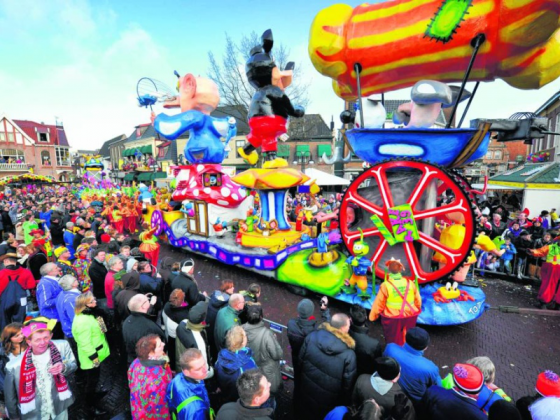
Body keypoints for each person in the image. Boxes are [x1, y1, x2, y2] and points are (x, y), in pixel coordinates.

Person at [4, 320, 77, 420]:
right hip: (34, 414)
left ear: (51, 336)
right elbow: (10, 397)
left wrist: (64, 367)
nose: (43, 342)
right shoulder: (13, 366)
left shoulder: (62, 346)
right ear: (29, 342)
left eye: (46, 337)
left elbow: (73, 365)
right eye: (37, 340)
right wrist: (14, 417)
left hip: (60, 406)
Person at [296, 313, 357, 420]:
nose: (349, 328)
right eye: (348, 326)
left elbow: (299, 362)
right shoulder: (349, 355)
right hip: (328, 401)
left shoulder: (312, 336)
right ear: (342, 328)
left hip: (307, 391)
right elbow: (347, 385)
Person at [71, 292, 109, 416]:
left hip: (98, 353)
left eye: (95, 300)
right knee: (91, 381)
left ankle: (93, 396)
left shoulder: (92, 313)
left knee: (95, 378)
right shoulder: (82, 321)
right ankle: (90, 405)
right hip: (92, 358)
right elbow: (84, 343)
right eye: (92, 301)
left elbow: (103, 329)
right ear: (84, 305)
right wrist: (95, 358)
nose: (95, 302)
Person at [369, 259, 422, 345]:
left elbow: (379, 303)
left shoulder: (386, 285)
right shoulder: (410, 283)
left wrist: (373, 316)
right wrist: (417, 308)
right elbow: (418, 299)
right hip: (410, 314)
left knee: (393, 336)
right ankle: (407, 347)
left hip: (393, 316)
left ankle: (394, 350)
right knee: (408, 334)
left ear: (389, 270)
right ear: (401, 270)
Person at [383, 327, 441, 404]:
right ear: (425, 347)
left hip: (390, 392)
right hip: (416, 402)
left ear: (405, 338)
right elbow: (439, 387)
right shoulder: (430, 368)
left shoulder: (390, 348)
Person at [351, 357, 415, 420]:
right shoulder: (403, 402)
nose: (372, 400)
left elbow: (354, 403)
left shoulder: (361, 379)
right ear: (394, 380)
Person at [419, 363, 487, 420]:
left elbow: (422, 412)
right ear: (477, 392)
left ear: (455, 382)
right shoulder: (481, 416)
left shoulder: (433, 391)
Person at [128, 334, 173, 419]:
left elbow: (130, 382)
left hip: (138, 409)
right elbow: (161, 406)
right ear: (151, 353)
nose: (163, 344)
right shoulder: (158, 378)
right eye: (159, 345)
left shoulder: (136, 362)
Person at [242, 304, 283, 394]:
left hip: (249, 370)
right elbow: (277, 355)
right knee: (267, 395)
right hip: (265, 372)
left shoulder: (240, 330)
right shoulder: (267, 334)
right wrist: (274, 340)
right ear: (261, 317)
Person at [287, 297, 331, 377]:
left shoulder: (291, 324)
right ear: (311, 312)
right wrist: (325, 310)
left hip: (296, 357)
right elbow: (327, 327)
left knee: (297, 376)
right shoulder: (316, 330)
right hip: (310, 361)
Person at [166, 348, 213, 420]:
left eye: (204, 364)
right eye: (198, 369)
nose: (205, 370)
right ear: (186, 372)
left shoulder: (177, 379)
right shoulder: (197, 409)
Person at [215, 325, 258, 403]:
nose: (246, 336)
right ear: (242, 343)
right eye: (245, 335)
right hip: (240, 399)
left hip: (226, 394)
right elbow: (253, 384)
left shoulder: (220, 356)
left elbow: (217, 374)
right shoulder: (248, 363)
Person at [122, 293, 166, 364]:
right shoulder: (148, 329)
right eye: (148, 300)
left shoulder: (127, 321)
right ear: (143, 306)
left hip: (133, 358)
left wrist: (141, 300)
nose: (149, 301)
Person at [176, 301, 213, 376]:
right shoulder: (199, 342)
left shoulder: (182, 323)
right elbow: (204, 364)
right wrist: (209, 371)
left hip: (182, 365)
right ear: (202, 320)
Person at [349, 304, 382, 376]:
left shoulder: (343, 332)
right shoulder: (374, 344)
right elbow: (377, 362)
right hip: (364, 373)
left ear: (350, 320)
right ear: (366, 317)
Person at [206, 279, 235, 361]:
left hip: (209, 326)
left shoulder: (214, 294)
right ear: (226, 289)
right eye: (231, 287)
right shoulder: (228, 302)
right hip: (217, 328)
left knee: (211, 347)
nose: (233, 288)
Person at [162, 289, 190, 369]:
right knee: (175, 353)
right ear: (182, 301)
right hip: (175, 337)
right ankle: (173, 369)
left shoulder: (167, 305)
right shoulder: (184, 315)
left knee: (170, 351)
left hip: (168, 333)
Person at [55, 275, 80, 339]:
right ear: (72, 284)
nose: (77, 280)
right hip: (75, 333)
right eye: (75, 280)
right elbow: (76, 318)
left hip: (69, 330)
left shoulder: (62, 293)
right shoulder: (71, 299)